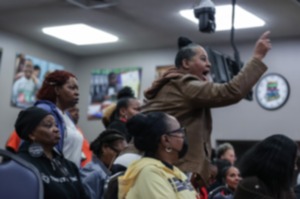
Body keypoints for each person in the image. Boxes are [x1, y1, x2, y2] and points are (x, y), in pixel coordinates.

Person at [142, 31, 272, 185]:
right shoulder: (184, 84)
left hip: (168, 166)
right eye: (203, 59)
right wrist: (257, 58)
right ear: (185, 63)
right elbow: (231, 91)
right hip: (172, 169)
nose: (209, 64)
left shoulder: (175, 84)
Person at [118, 112, 200, 199]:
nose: (183, 136)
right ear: (166, 140)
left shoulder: (173, 171)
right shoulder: (149, 173)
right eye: (179, 131)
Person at [15, 107, 89, 199]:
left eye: (56, 125)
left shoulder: (70, 166)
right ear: (31, 134)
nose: (56, 129)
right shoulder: (21, 165)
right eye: (48, 125)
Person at [34, 70, 82, 167]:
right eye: (72, 88)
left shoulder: (67, 116)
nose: (77, 93)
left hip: (69, 176)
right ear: (57, 90)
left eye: (77, 89)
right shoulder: (44, 109)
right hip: (51, 174)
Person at [234, 134, 297, 199]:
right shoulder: (250, 185)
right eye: (292, 163)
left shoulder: (284, 190)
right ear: (281, 163)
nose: (295, 168)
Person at [81, 129, 127, 199]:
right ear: (105, 148)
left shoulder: (109, 170)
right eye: (118, 154)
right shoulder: (92, 174)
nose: (120, 158)